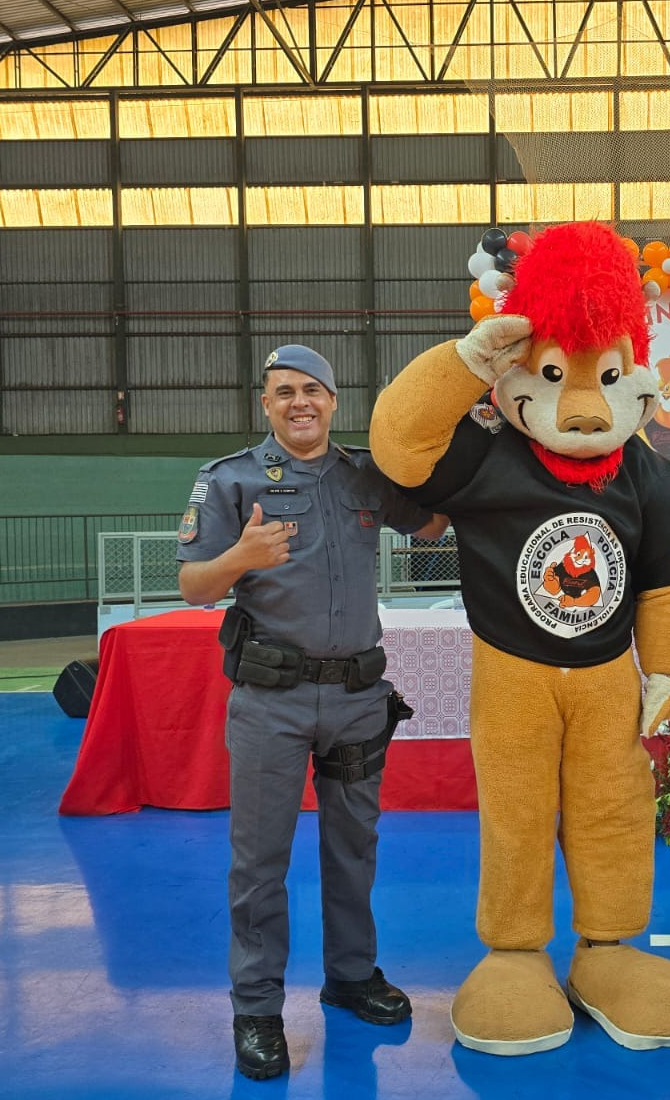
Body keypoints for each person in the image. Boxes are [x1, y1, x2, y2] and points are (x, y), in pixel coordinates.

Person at [176, 344, 447, 1081]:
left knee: (354, 848)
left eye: (313, 391)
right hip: (272, 701)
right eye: (284, 391)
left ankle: (352, 975)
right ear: (265, 404)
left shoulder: (366, 475)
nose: (300, 402)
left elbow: (433, 527)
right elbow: (194, 585)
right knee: (260, 863)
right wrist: (241, 558)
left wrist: (459, 435)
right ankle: (258, 1009)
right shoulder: (229, 479)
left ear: (334, 401)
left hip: (358, 699)